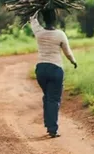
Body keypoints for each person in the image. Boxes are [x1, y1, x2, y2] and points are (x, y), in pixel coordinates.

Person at [29, 8, 77, 138]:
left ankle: (48, 124)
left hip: (41, 70)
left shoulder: (39, 32)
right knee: (53, 99)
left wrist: (37, 9)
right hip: (55, 69)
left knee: (47, 96)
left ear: (44, 19)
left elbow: (32, 20)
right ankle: (52, 129)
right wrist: (73, 61)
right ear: (55, 19)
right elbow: (68, 52)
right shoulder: (60, 34)